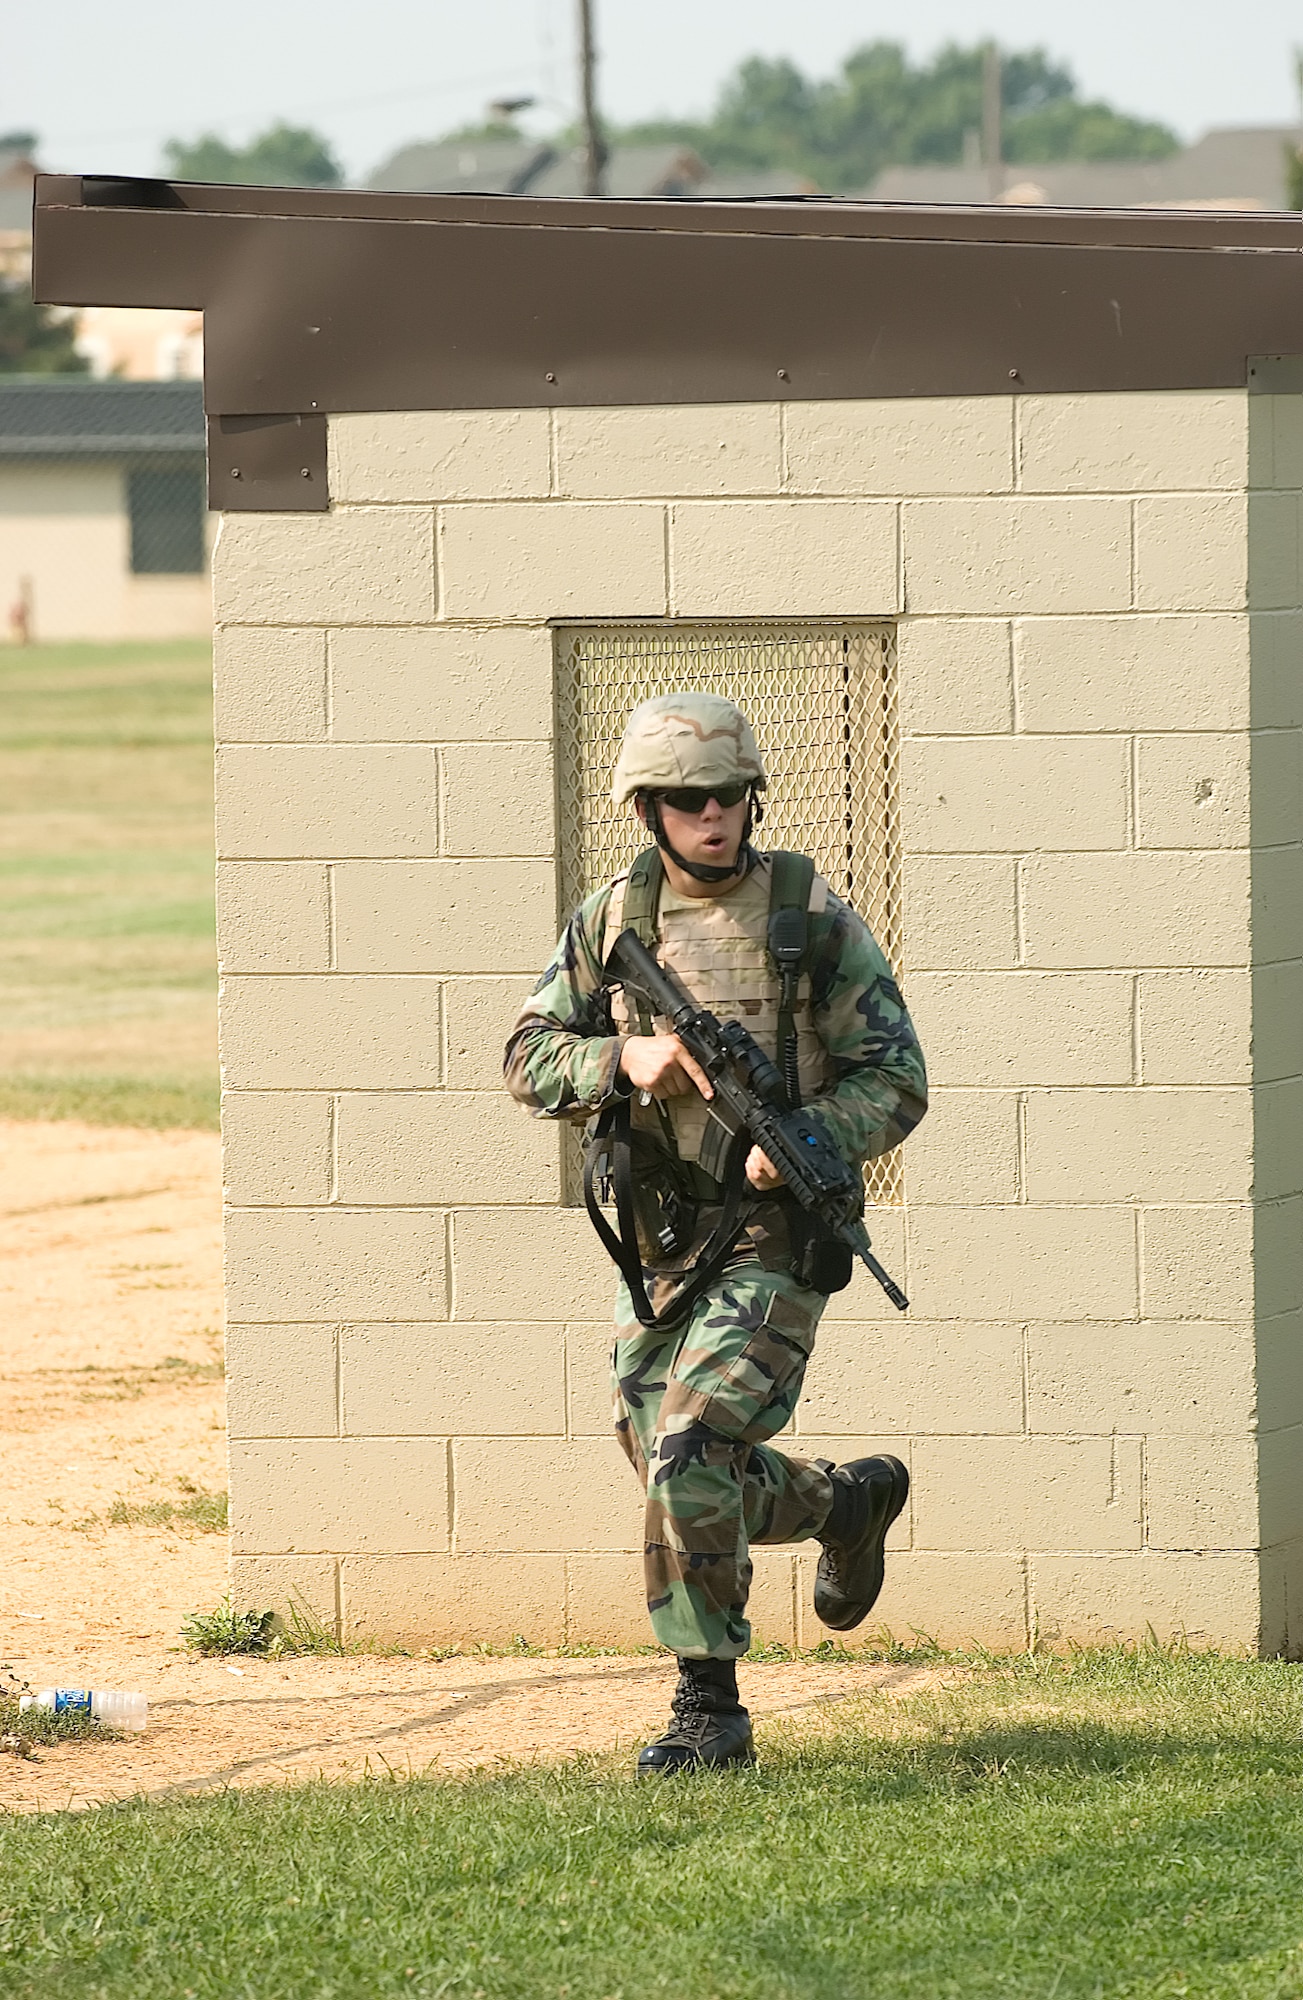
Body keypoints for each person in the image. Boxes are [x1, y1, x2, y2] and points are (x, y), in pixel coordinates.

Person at [505, 692, 927, 1776]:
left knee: (691, 1450)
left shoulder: (807, 918)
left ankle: (709, 1710)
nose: (712, 815)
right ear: (646, 809)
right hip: (663, 1238)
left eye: (729, 795)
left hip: (778, 1234)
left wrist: (804, 1136)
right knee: (661, 1462)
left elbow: (898, 1076)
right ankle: (847, 1500)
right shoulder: (613, 921)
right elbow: (524, 1053)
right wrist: (619, 1061)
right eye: (687, 799)